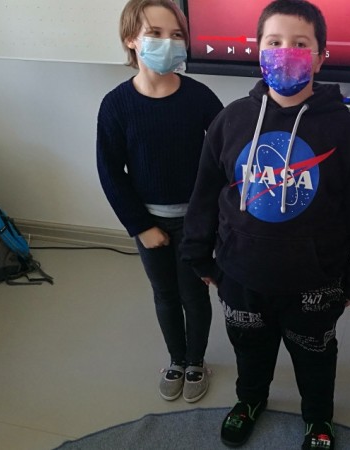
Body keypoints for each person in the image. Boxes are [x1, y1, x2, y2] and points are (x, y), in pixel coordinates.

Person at [180, 0, 350, 448]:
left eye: (300, 44)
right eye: (274, 42)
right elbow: (206, 193)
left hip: (316, 280)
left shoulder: (346, 132)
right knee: (249, 347)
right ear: (258, 51)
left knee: (315, 355)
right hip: (241, 272)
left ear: (321, 56)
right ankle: (250, 400)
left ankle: (318, 418)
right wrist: (198, 254)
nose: (286, 52)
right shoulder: (231, 120)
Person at [97, 0, 223, 404]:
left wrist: (212, 219)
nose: (168, 42)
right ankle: (176, 358)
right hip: (150, 223)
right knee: (165, 294)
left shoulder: (200, 97)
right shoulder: (116, 105)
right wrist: (141, 226)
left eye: (176, 35)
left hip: (195, 223)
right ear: (131, 40)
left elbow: (225, 156)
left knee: (194, 294)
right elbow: (110, 171)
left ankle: (196, 361)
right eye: (154, 33)